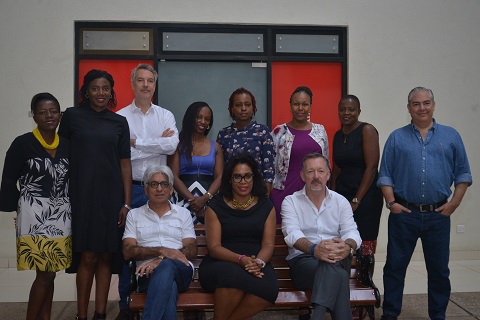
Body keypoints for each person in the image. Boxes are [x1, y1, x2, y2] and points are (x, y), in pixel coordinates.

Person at [377, 87, 472, 320]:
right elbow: (385, 175)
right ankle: (390, 314)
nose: (422, 108)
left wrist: (454, 204)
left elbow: (463, 175)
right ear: (408, 108)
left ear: (434, 105)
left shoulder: (451, 136)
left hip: (438, 215)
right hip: (404, 214)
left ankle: (438, 315)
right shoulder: (396, 138)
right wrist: (391, 203)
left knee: (439, 270)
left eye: (426, 103)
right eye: (416, 104)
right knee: (395, 268)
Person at [58, 69, 132, 320]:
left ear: (111, 91)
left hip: (111, 197)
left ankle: (100, 314)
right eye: (95, 88)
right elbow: (61, 159)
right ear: (86, 91)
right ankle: (82, 315)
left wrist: (126, 202)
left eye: (105, 89)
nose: (101, 93)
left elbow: (125, 163)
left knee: (106, 255)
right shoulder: (72, 117)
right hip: (80, 195)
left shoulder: (119, 122)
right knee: (87, 255)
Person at [115, 63, 179, 320]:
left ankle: (158, 295)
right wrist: (156, 144)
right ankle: (124, 305)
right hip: (130, 190)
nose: (145, 85)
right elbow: (121, 153)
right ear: (132, 84)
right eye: (140, 80)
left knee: (163, 243)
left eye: (149, 81)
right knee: (127, 249)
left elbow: (172, 144)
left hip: (159, 188)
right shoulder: (120, 117)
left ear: (155, 85)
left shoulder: (165, 115)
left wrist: (136, 142)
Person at [0, 92, 71, 320]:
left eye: (53, 111)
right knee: (44, 273)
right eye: (42, 112)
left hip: (61, 216)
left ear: (60, 115)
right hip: (34, 216)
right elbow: (9, 179)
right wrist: (17, 209)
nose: (48, 116)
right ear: (34, 116)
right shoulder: (22, 143)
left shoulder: (68, 145)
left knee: (51, 273)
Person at [281, 153, 361, 320]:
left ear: (328, 174)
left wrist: (348, 246)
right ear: (303, 176)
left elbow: (352, 232)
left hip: (337, 257)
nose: (316, 176)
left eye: (320, 171)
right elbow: (292, 234)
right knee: (338, 273)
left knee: (332, 264)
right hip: (304, 262)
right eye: (310, 172)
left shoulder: (341, 202)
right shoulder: (290, 201)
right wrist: (314, 249)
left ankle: (316, 316)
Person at [199, 154, 279, 320]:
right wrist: (240, 259)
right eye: (237, 176)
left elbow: (268, 245)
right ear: (229, 179)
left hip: (256, 262)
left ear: (254, 177)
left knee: (269, 289)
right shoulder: (215, 206)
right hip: (220, 262)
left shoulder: (266, 206)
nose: (243, 181)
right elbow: (214, 248)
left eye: (247, 176)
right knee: (232, 276)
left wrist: (259, 263)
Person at [123, 165, 197, 320]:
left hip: (181, 270)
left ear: (171, 189)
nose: (159, 189)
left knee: (166, 266)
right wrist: (162, 250)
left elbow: (191, 250)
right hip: (146, 275)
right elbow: (128, 251)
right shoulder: (134, 215)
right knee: (169, 288)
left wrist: (161, 260)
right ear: (146, 189)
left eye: (164, 184)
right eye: (154, 184)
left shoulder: (183, 214)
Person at [330, 95, 383, 257]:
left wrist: (356, 200)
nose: (346, 113)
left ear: (359, 111)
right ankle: (347, 280)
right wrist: (331, 196)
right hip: (342, 195)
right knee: (343, 241)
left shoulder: (367, 130)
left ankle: (365, 280)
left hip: (366, 197)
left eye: (351, 109)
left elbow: (372, 167)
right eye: (342, 109)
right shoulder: (338, 135)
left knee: (365, 243)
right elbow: (336, 169)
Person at [270, 86, 329, 222]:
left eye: (305, 104)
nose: (300, 108)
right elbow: (270, 167)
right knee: (284, 232)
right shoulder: (279, 131)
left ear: (310, 106)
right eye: (296, 104)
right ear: (290, 106)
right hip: (283, 192)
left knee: (312, 231)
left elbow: (326, 163)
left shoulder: (320, 131)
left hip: (315, 190)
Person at [168, 101, 223, 224]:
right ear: (190, 118)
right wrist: (193, 200)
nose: (203, 121)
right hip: (182, 198)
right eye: (199, 117)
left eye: (207, 119)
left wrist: (204, 199)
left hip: (209, 200)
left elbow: (219, 178)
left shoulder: (216, 147)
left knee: (207, 237)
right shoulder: (178, 145)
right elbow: (174, 177)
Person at [217, 87, 274, 194]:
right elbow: (221, 170)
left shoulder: (263, 131)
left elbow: (268, 169)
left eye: (247, 104)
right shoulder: (224, 134)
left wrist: (265, 198)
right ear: (232, 109)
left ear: (253, 108)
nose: (243, 108)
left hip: (257, 192)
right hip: (230, 192)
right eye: (238, 105)